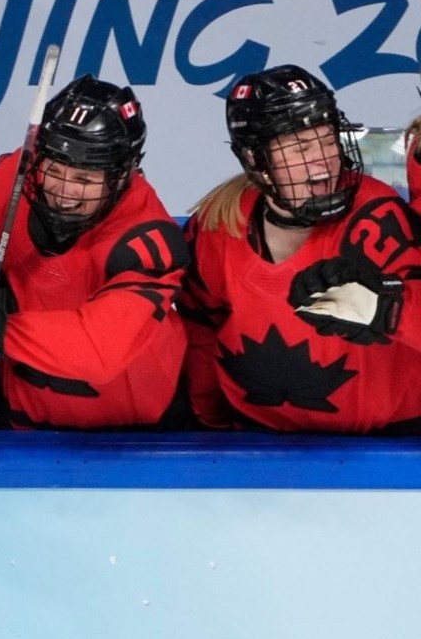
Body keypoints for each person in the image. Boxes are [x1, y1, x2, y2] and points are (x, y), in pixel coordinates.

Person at [0, 76, 190, 430]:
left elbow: (100, 351)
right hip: (19, 415)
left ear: (122, 175)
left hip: (137, 432)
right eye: (54, 170)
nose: (63, 191)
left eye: (85, 179)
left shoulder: (147, 242)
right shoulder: (3, 186)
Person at [180, 65, 421, 432]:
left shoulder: (376, 215)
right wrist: (209, 420)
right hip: (259, 443)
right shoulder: (217, 224)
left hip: (381, 447)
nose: (323, 159)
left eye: (327, 140)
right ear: (255, 159)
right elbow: (200, 332)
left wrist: (387, 308)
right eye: (300, 147)